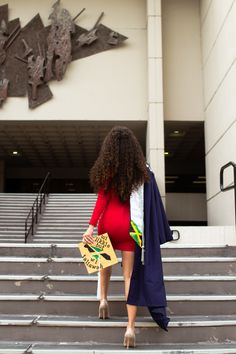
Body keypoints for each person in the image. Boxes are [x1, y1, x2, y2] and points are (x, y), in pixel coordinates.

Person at [83, 125, 172, 348]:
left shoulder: (106, 169)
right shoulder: (140, 172)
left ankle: (103, 300)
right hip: (131, 228)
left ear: (109, 148)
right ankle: (130, 327)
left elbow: (101, 201)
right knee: (129, 276)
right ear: (133, 148)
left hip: (107, 225)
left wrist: (90, 227)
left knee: (104, 266)